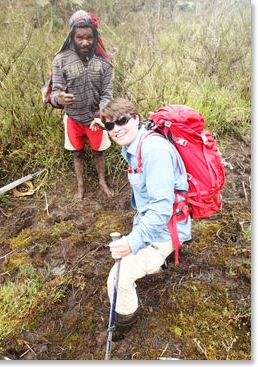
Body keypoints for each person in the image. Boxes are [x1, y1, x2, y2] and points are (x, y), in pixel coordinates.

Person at [100, 97, 192, 340]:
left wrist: (133, 242)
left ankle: (122, 325)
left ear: (136, 119)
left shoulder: (154, 151)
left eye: (122, 121)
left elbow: (161, 208)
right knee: (130, 257)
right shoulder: (135, 145)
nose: (116, 129)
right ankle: (158, 261)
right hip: (156, 224)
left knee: (118, 278)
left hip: (166, 231)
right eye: (109, 126)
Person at [50, 10, 114, 200]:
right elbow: (55, 94)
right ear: (72, 36)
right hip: (73, 118)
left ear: (95, 37)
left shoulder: (105, 62)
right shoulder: (60, 60)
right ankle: (80, 185)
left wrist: (102, 113)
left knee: (98, 151)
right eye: (80, 37)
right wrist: (59, 100)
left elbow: (107, 93)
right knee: (77, 153)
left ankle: (102, 181)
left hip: (96, 117)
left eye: (89, 37)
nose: (85, 42)